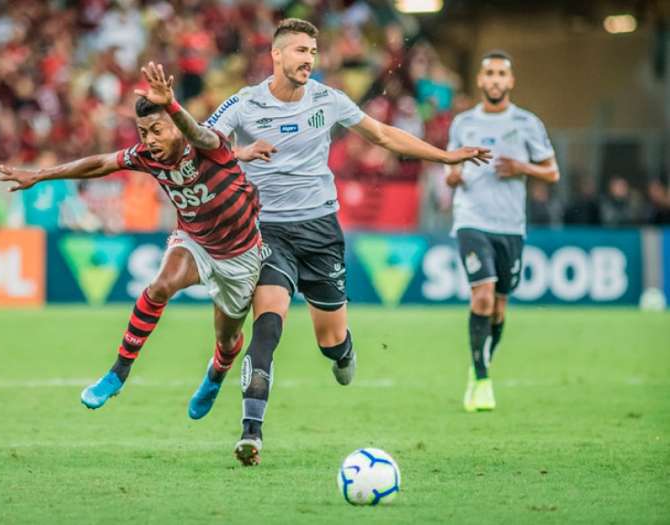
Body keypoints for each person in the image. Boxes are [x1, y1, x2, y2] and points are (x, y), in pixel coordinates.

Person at [206, 18, 491, 466]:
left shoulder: (328, 100)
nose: (308, 60)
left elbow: (382, 135)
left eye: (313, 53)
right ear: (276, 55)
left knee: (330, 340)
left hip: (320, 230)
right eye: (300, 51)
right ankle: (251, 431)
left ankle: (342, 349)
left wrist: (444, 156)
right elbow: (204, 143)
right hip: (267, 230)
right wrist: (236, 154)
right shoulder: (243, 105)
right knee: (268, 322)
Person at [0, 62, 262, 417]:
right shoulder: (147, 156)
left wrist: (172, 105)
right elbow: (101, 164)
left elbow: (197, 133)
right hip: (195, 240)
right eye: (143, 132)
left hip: (239, 253)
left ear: (175, 124)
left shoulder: (210, 145)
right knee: (159, 287)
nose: (149, 140)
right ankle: (118, 372)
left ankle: (216, 374)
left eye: (156, 130)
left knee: (228, 340)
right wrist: (41, 175)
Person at [445, 50, 559, 412]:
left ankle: (481, 362)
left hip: (510, 225)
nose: (494, 80)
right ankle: (481, 380)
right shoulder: (463, 123)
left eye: (501, 74)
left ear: (510, 81)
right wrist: (453, 174)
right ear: (480, 81)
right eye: (489, 73)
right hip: (471, 219)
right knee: (482, 295)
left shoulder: (527, 123)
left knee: (499, 307)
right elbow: (449, 169)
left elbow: (552, 172)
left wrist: (522, 167)